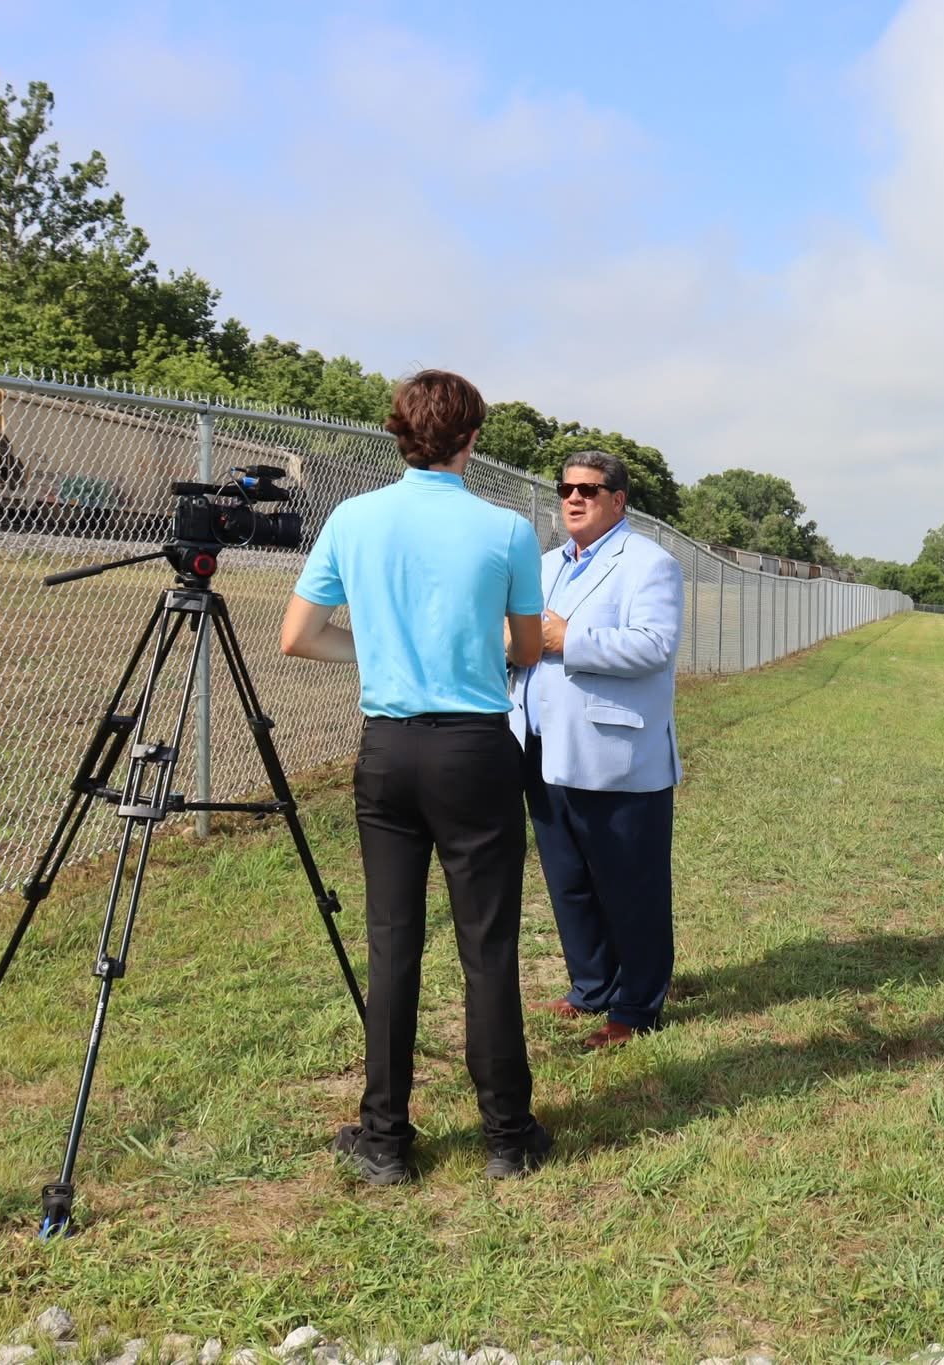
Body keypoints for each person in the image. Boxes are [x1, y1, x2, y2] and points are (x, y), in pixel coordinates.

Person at [279, 368, 553, 1185]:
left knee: (393, 942)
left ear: (398, 433)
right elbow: (527, 648)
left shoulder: (354, 517)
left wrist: (385, 653)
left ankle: (385, 1139)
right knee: (488, 943)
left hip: (388, 750)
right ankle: (507, 1136)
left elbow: (298, 636)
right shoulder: (507, 529)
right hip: (475, 750)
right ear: (473, 437)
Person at [509, 449, 683, 1050]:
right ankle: (590, 986)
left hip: (614, 755)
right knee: (569, 880)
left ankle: (636, 1005)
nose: (574, 499)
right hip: (541, 746)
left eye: (588, 489)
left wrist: (568, 638)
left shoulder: (649, 563)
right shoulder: (545, 565)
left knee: (630, 886)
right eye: (566, 490)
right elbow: (523, 638)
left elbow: (654, 646)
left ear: (618, 499)